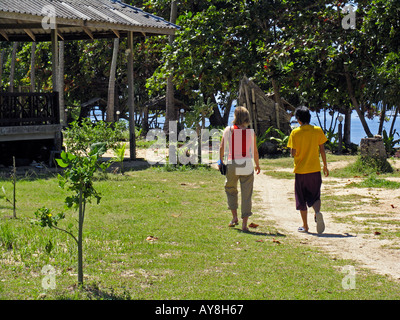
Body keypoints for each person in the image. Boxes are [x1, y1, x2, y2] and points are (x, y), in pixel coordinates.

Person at [287, 106, 329, 234]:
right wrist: (325, 165)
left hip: (300, 171)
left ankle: (305, 226)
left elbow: (293, 152)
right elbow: (322, 150)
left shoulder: (295, 132)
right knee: (315, 196)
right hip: (315, 170)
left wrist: (293, 152)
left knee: (301, 199)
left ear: (298, 120)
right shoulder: (317, 130)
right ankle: (317, 212)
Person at [219, 106, 261, 232]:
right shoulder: (251, 132)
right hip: (247, 163)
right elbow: (255, 151)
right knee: (247, 194)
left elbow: (222, 147)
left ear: (235, 117)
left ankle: (234, 217)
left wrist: (220, 160)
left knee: (231, 189)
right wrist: (257, 165)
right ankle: (244, 224)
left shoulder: (229, 130)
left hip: (233, 162)